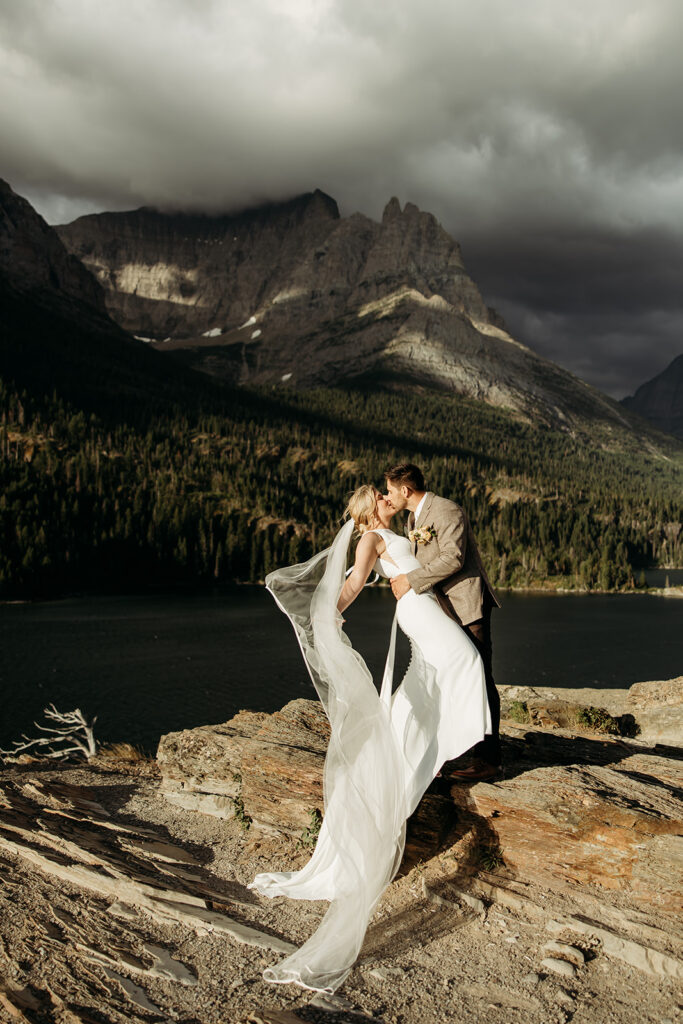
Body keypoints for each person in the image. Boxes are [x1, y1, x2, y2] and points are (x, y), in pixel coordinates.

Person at [248, 484, 492, 994]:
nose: (387, 499)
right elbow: (357, 581)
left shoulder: (389, 530)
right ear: (370, 509)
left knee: (427, 681)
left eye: (387, 495)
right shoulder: (371, 539)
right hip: (418, 613)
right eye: (379, 497)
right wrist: (330, 613)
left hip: (422, 608)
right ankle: (465, 742)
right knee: (464, 661)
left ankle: (444, 744)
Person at [384, 463, 501, 780]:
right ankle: (456, 750)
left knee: (479, 674)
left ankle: (488, 759)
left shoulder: (447, 510)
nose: (387, 496)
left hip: (467, 603)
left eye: (390, 491)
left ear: (405, 490)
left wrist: (411, 580)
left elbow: (453, 558)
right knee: (450, 676)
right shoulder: (413, 518)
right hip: (441, 607)